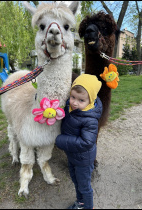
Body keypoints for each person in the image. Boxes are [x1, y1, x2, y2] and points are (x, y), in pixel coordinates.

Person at [55, 74, 102, 209]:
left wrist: (61, 140)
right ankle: (80, 202)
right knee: (76, 181)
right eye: (73, 97)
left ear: (90, 100)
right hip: (73, 156)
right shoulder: (73, 108)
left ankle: (87, 206)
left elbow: (86, 142)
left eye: (81, 100)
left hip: (83, 160)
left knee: (84, 186)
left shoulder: (90, 120)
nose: (75, 102)